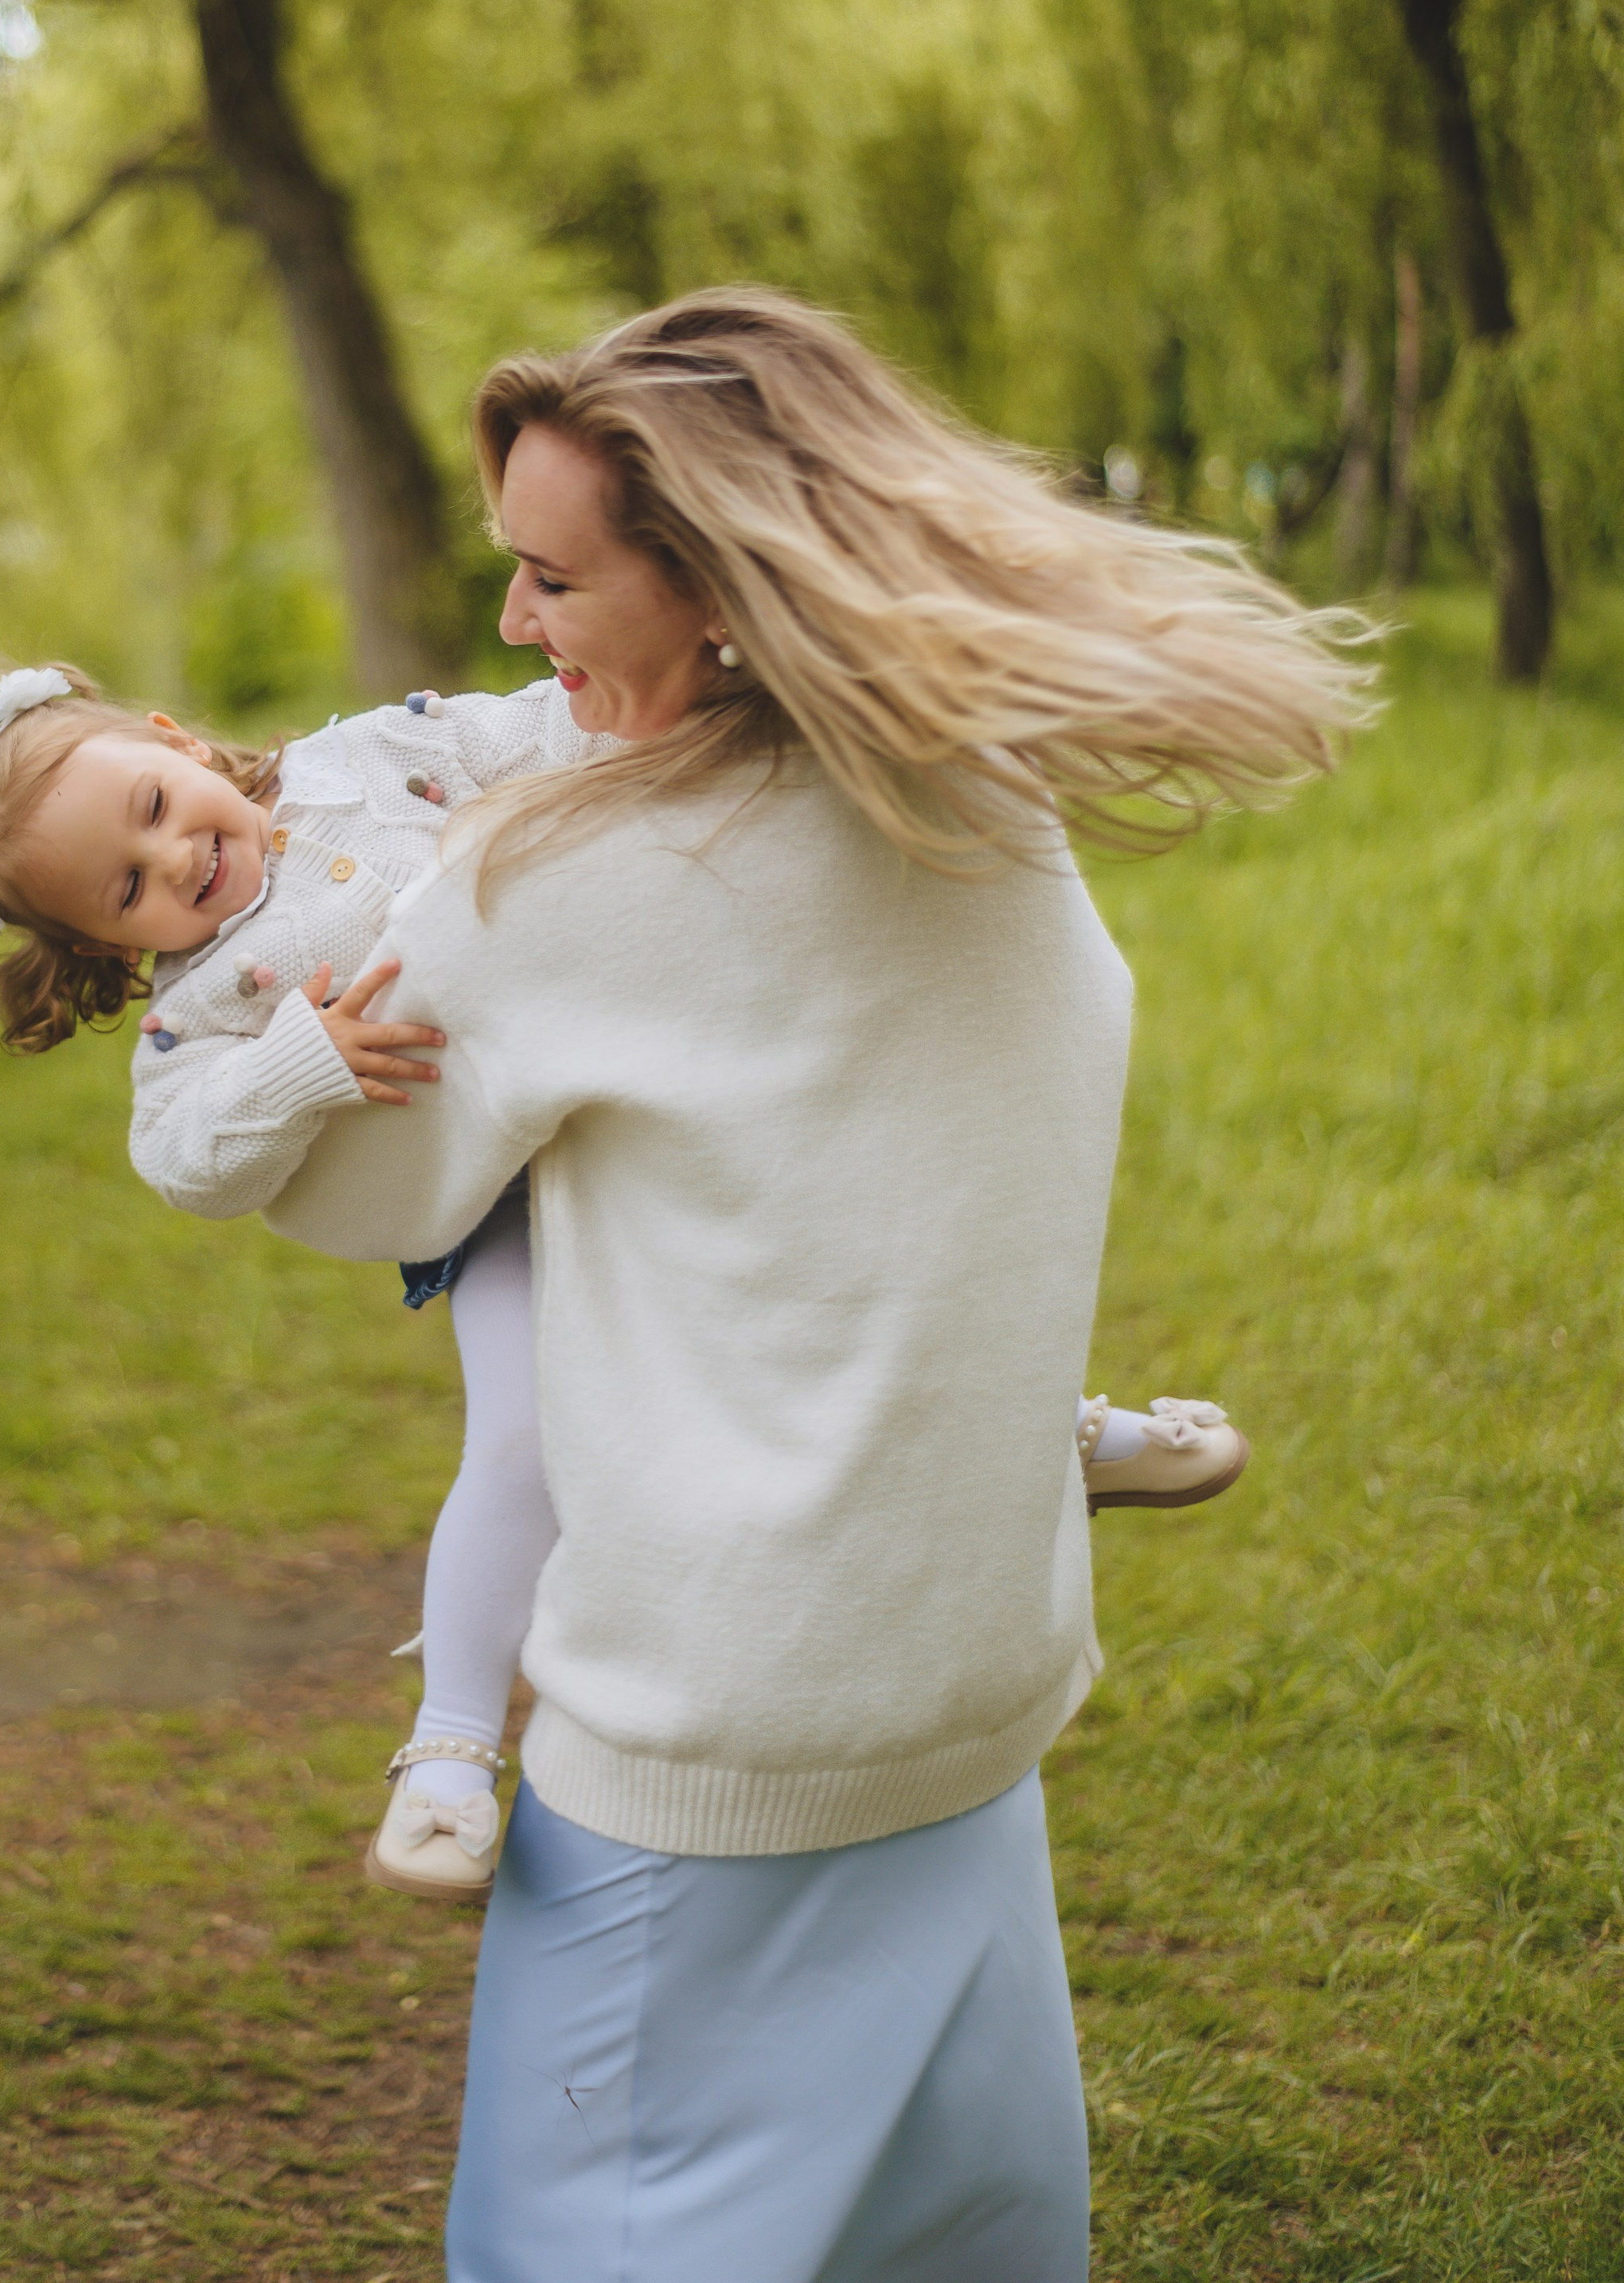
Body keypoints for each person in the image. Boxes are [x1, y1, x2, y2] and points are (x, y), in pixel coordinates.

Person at [256, 288, 1369, 2280]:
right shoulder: (984, 791)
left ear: (708, 579)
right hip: (965, 1697)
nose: (511, 627)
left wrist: (259, 967)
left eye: (547, 576)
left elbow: (355, 1181)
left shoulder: (558, 882)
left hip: (714, 1766)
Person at [0, 636, 1241, 1911]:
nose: (179, 866)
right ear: (109, 948)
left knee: (843, 1273)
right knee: (521, 1440)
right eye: (129, 890)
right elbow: (182, 1161)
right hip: (493, 1201)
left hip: (637, 1106)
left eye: (158, 809)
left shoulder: (364, 759)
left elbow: (542, 733)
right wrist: (302, 1062)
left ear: (179, 743)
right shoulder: (200, 1012)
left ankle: (1034, 1439)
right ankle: (450, 1754)